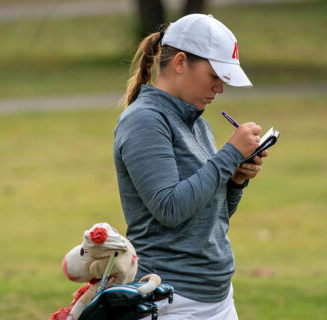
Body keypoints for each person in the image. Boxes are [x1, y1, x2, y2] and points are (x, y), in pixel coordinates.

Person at [113, 14, 268, 319]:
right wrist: (230, 155)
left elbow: (210, 218)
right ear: (181, 62)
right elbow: (170, 208)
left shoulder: (199, 125)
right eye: (214, 76)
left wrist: (235, 179)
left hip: (217, 298)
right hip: (169, 298)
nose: (219, 89)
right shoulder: (144, 120)